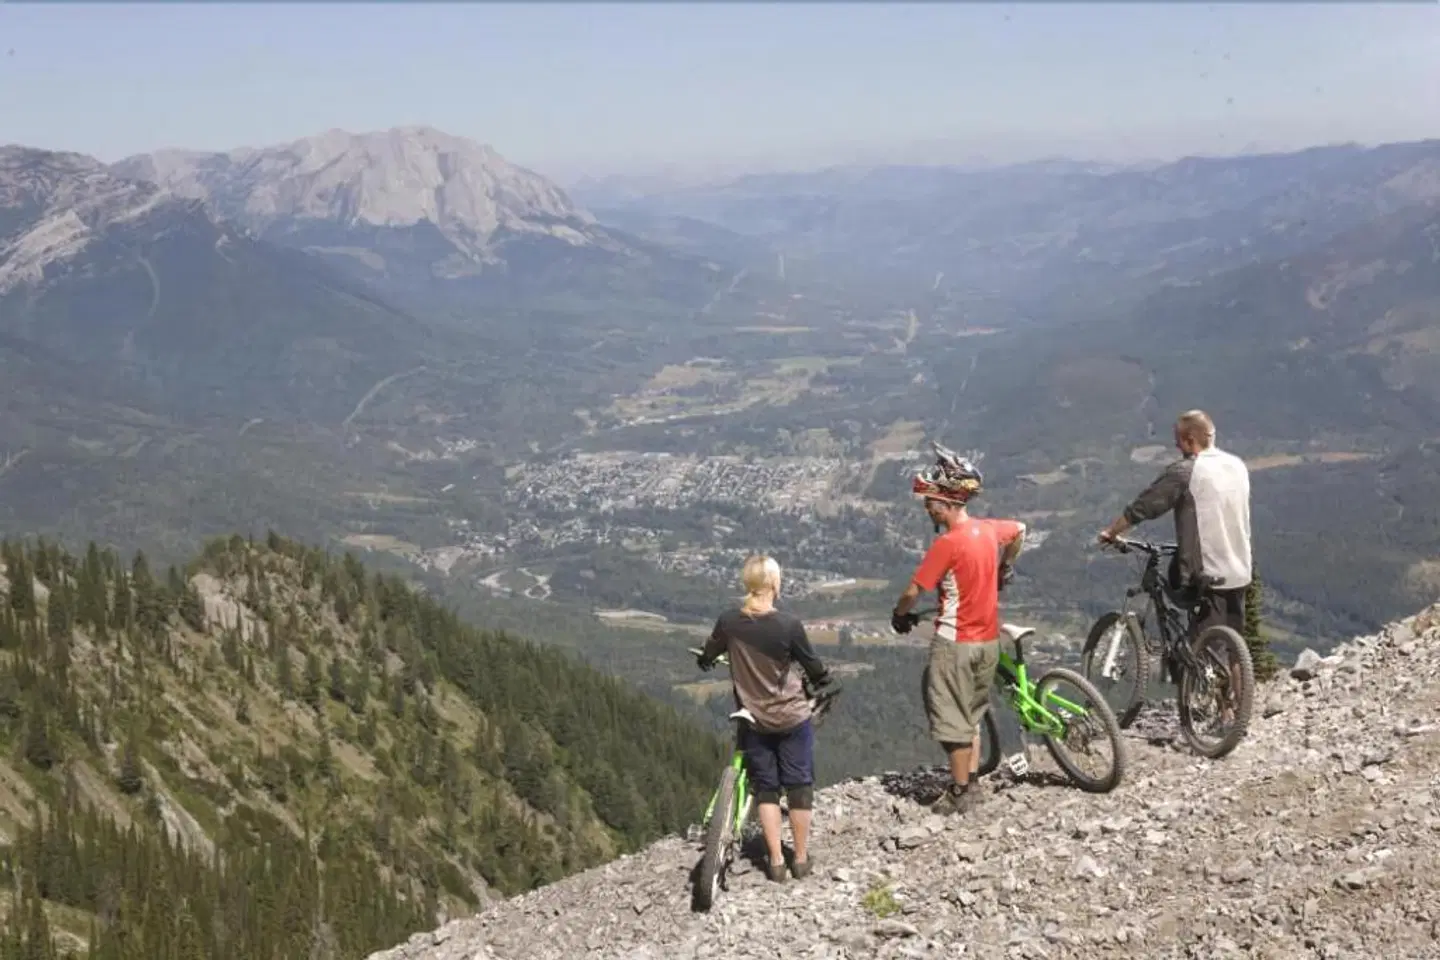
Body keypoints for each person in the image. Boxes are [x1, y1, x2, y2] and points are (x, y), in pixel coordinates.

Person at [890, 443, 1027, 816]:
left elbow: (913, 591)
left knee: (952, 720)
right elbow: (1019, 530)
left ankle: (960, 790)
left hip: (955, 643)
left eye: (931, 500)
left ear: (947, 501)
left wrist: (900, 614)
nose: (927, 508)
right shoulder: (987, 530)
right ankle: (973, 783)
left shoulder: (947, 544)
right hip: (987, 641)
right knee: (973, 713)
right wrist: (1004, 569)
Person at [697, 554, 838, 883]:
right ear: (775, 584)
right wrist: (821, 681)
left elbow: (710, 651)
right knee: (799, 786)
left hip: (754, 719)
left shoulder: (729, 621)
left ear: (748, 584)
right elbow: (814, 668)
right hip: (791, 717)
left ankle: (775, 862)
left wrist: (705, 660)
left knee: (767, 790)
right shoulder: (788, 626)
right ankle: (800, 859)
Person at [1097, 409, 1252, 641]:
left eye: (1178, 441)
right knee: (1232, 646)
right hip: (1240, 569)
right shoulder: (1237, 465)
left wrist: (1111, 532)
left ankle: (1184, 668)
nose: (1176, 447)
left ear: (1190, 441)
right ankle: (1238, 678)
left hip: (1207, 573)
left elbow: (1145, 506)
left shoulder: (1187, 471)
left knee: (1202, 652)